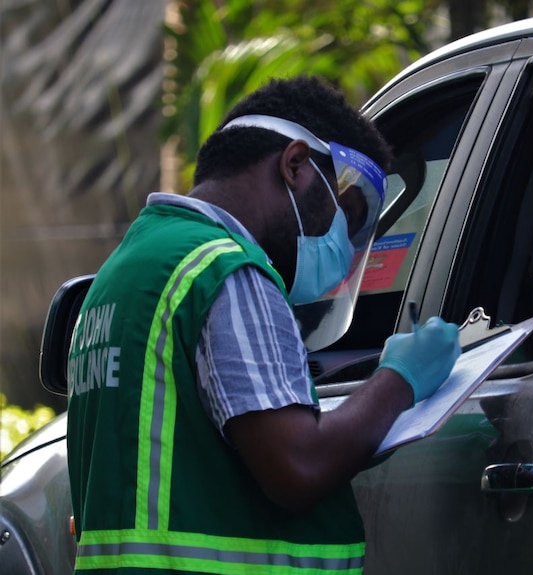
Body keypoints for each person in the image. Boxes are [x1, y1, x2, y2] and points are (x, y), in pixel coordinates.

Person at [65, 76, 462, 574]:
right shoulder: (228, 273)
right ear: (295, 165)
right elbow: (299, 466)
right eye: (345, 213)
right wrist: (399, 380)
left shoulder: (128, 269)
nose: (341, 242)